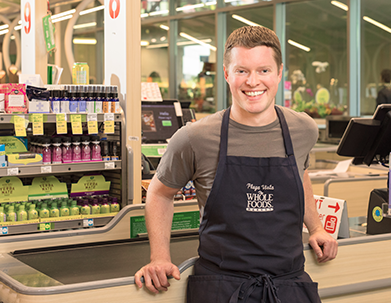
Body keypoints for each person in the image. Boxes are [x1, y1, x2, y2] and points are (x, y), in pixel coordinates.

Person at [135, 26, 338, 302]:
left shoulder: (302, 129)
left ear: (279, 73)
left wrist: (315, 228)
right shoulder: (195, 138)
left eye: (263, 71)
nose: (253, 82)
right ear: (227, 74)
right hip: (222, 288)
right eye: (242, 70)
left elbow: (300, 174)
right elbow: (160, 192)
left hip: (288, 286)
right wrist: (159, 257)